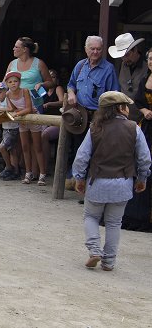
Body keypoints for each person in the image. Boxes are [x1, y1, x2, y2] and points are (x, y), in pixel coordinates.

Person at [73, 91, 150, 271]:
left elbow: (82, 157)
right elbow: (144, 158)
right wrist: (142, 178)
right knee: (115, 222)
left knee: (91, 216)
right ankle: (109, 261)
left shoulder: (95, 128)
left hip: (98, 181)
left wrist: (79, 178)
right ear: (120, 108)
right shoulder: (134, 128)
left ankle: (94, 250)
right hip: (123, 182)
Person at [67, 36, 120, 189]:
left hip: (99, 116)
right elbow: (71, 84)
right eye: (92, 49)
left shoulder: (108, 68)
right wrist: (71, 93)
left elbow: (113, 94)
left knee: (96, 153)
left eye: (98, 49)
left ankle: (92, 188)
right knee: (79, 151)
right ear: (86, 49)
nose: (96, 52)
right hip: (80, 117)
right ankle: (79, 183)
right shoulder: (80, 66)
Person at [6, 36, 53, 180]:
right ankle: (25, 171)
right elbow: (4, 83)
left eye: (16, 47)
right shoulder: (12, 64)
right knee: (22, 142)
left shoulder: (39, 63)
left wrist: (42, 85)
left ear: (25, 49)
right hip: (17, 106)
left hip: (34, 105)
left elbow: (50, 82)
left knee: (36, 142)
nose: (13, 49)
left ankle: (40, 172)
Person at [3, 71, 48, 185]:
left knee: (37, 147)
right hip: (22, 120)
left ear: (19, 82)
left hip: (33, 118)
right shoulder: (7, 94)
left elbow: (28, 108)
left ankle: (42, 174)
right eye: (10, 82)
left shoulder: (25, 91)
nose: (13, 84)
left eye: (16, 81)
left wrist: (17, 113)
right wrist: (14, 112)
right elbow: (12, 108)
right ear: (7, 84)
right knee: (25, 147)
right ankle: (28, 173)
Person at [126, 47, 152, 232]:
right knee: (140, 163)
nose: (151, 62)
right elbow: (139, 100)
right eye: (150, 59)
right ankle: (136, 213)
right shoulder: (145, 79)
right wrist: (144, 111)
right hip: (147, 127)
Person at [108, 32, 146, 121]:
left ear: (135, 50)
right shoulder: (122, 65)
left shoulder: (148, 66)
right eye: (122, 57)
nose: (125, 59)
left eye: (127, 55)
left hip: (143, 119)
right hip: (123, 117)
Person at [41, 69, 65, 176]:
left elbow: (62, 101)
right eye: (49, 77)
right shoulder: (43, 90)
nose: (51, 79)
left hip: (56, 122)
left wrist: (50, 104)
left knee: (44, 135)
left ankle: (45, 168)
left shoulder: (58, 88)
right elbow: (36, 100)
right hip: (43, 121)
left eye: (53, 76)